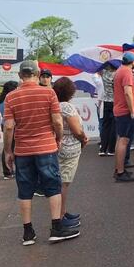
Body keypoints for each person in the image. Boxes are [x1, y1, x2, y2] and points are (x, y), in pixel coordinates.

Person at [3, 60, 80, 245]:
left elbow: (8, 127)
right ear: (37, 74)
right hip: (46, 147)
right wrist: (58, 138)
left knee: (25, 190)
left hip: (22, 150)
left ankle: (28, 232)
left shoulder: (11, 97)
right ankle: (56, 227)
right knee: (53, 186)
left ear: (20, 75)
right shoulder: (48, 93)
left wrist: (8, 151)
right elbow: (58, 122)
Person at [53, 77, 89, 228]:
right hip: (70, 147)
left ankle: (62, 211)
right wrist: (83, 138)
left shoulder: (54, 105)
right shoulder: (67, 107)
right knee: (64, 183)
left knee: (60, 181)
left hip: (58, 146)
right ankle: (60, 216)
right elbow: (76, 129)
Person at [112, 52, 134, 182]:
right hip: (125, 111)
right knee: (123, 141)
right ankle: (120, 172)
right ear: (133, 62)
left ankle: (119, 168)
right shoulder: (127, 73)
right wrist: (132, 111)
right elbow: (128, 93)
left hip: (120, 110)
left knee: (121, 140)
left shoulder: (120, 70)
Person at [0, 80, 19, 179]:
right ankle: (9, 170)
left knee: (7, 147)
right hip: (12, 125)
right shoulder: (10, 99)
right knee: (12, 148)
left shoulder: (1, 99)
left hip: (4, 124)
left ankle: (7, 171)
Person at [98, 63, 117, 156]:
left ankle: (102, 149)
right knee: (114, 126)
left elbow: (100, 67)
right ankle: (111, 149)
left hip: (106, 102)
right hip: (114, 101)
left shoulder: (104, 73)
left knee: (105, 126)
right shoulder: (117, 74)